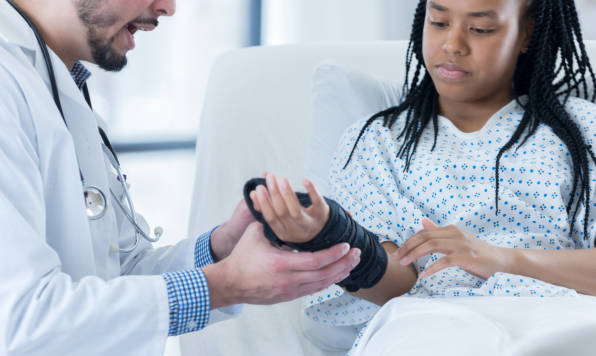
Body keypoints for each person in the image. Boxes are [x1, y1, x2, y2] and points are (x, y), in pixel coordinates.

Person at [0, 0, 362, 356]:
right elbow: (19, 320)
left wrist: (221, 250)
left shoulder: (56, 84)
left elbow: (111, 275)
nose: (167, 7)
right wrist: (227, 284)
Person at [251, 0, 596, 325]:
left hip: (555, 327)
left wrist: (498, 259)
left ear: (526, 34)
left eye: (480, 29)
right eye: (439, 22)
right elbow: (397, 285)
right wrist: (330, 237)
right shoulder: (377, 142)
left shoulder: (582, 132)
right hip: (429, 333)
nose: (452, 44)